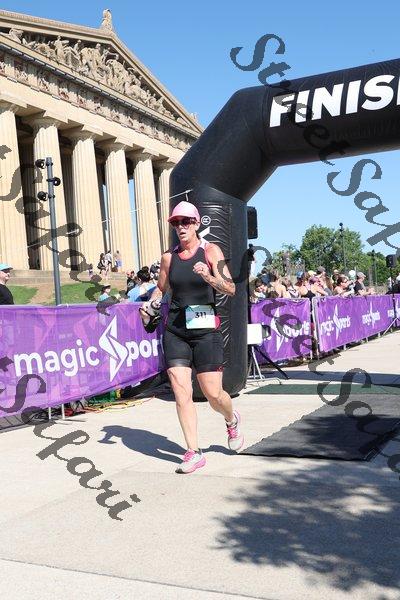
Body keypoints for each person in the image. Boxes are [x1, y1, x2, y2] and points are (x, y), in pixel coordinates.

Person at [140, 200, 243, 474]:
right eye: (176, 222)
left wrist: (208, 276)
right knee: (181, 392)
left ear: (196, 223)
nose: (181, 227)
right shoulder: (168, 258)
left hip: (205, 331)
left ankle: (231, 420)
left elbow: (230, 288)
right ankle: (193, 451)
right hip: (175, 330)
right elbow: (161, 289)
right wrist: (151, 305)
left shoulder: (210, 251)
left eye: (186, 221)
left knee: (213, 394)